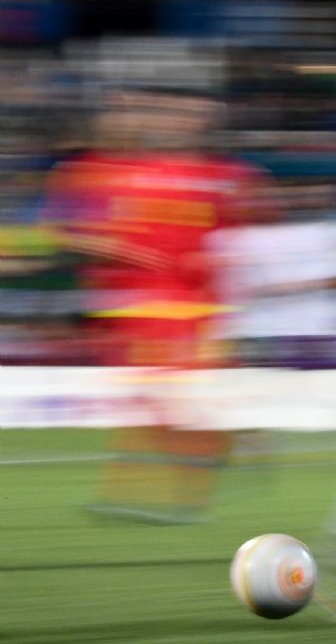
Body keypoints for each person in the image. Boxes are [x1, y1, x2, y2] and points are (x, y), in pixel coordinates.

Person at [44, 87, 271, 523]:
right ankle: (228, 447)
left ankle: (174, 492)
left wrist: (219, 264)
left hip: (188, 308)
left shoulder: (219, 174)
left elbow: (243, 236)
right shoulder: (114, 171)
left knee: (161, 397)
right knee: (151, 400)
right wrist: (114, 250)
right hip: (130, 308)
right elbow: (68, 232)